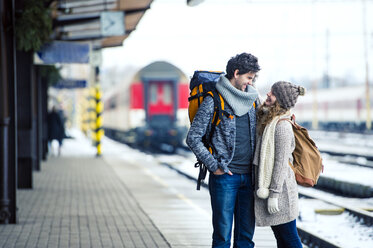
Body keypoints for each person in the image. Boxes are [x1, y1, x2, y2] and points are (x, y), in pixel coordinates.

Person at [186, 52, 261, 248]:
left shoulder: (253, 100)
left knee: (246, 238)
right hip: (225, 177)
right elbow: (193, 137)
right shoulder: (214, 100)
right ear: (236, 73)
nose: (250, 83)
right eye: (248, 78)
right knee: (222, 237)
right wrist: (214, 166)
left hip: (250, 177)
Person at [253, 81, 305, 248]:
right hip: (275, 190)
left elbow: (281, 163)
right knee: (282, 240)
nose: (268, 94)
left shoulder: (282, 126)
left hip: (281, 193)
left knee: (290, 240)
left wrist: (274, 195)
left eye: (273, 93)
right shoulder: (270, 119)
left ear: (281, 100)